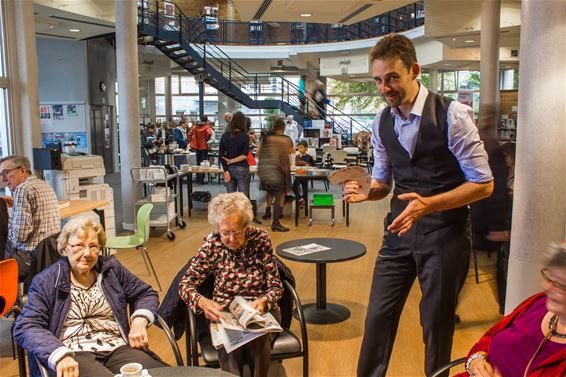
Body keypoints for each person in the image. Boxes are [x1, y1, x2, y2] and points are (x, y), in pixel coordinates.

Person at [343, 33, 494, 377]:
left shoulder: (452, 115)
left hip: (446, 235)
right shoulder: (381, 122)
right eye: (378, 80)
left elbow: (484, 184)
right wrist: (369, 191)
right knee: (378, 317)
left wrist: (430, 204)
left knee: (436, 326)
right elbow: (383, 182)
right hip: (398, 233)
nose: (385, 87)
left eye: (392, 77)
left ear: (414, 70)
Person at [13, 218, 167, 377]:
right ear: (65, 248)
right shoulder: (47, 280)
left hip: (116, 348)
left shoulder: (110, 270)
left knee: (161, 374)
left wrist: (139, 320)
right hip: (73, 353)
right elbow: (26, 326)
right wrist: (59, 354)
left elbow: (144, 293)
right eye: (79, 246)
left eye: (93, 246)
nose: (87, 253)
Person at [178, 193, 283, 377]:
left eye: (237, 232)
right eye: (226, 233)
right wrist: (203, 302)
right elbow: (185, 285)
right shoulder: (212, 244)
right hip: (225, 314)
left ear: (246, 226)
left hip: (260, 311)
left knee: (258, 338)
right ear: (217, 228)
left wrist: (265, 301)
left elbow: (276, 286)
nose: (232, 239)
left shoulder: (261, 239)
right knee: (230, 345)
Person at [456, 243, 566, 377]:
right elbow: (491, 335)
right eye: (548, 278)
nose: (546, 287)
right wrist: (476, 361)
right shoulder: (538, 303)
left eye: (559, 285)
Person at [1, 155, 60, 281]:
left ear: (22, 170)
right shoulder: (43, 184)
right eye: (1, 174)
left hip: (29, 259)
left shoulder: (23, 189)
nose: (4, 179)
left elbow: (19, 237)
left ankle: (9, 295)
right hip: (49, 255)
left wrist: (9, 225)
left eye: (6, 173)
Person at [257, 118, 294, 232]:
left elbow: (258, 152)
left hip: (265, 170)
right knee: (279, 195)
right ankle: (276, 222)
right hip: (278, 171)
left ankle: (267, 210)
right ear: (283, 128)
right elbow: (292, 152)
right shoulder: (286, 139)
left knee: (269, 192)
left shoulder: (266, 138)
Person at [219, 112, 251, 198]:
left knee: (230, 199)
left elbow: (221, 155)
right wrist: (231, 161)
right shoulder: (244, 136)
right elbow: (245, 155)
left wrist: (225, 170)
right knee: (243, 199)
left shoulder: (224, 136)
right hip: (242, 169)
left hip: (229, 170)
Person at [189, 115, 213, 184]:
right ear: (206, 119)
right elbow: (209, 133)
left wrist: (192, 141)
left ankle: (197, 179)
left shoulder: (195, 126)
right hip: (204, 146)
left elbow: (189, 134)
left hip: (197, 146)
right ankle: (201, 180)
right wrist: (206, 139)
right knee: (203, 163)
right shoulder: (207, 126)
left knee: (198, 162)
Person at [292, 140, 316, 208]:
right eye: (298, 148)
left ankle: (303, 201)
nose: (299, 149)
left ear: (306, 148)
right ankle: (300, 199)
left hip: (305, 176)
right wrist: (303, 162)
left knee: (305, 191)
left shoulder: (309, 157)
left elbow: (314, 166)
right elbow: (296, 163)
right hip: (298, 175)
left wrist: (310, 166)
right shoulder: (297, 157)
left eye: (301, 147)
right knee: (294, 187)